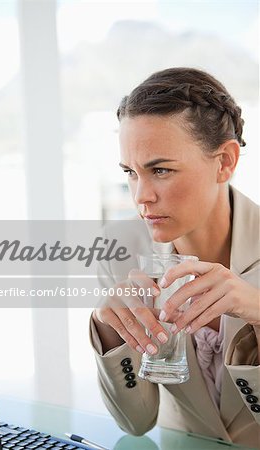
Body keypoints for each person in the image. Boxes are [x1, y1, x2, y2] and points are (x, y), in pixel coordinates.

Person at [89, 67, 260, 448]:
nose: (140, 197)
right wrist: (108, 329)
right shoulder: (119, 249)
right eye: (130, 172)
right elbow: (135, 424)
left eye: (161, 169)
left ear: (225, 162)